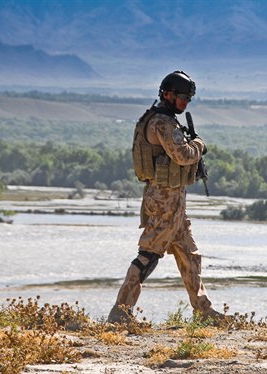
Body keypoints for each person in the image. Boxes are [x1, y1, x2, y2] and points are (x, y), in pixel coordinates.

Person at [108, 70, 223, 323]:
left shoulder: (167, 119)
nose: (185, 103)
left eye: (189, 99)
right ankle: (121, 312)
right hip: (163, 200)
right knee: (148, 255)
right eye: (182, 97)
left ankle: (204, 312)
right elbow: (182, 155)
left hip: (173, 200)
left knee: (189, 255)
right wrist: (199, 145)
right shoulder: (162, 122)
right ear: (167, 94)